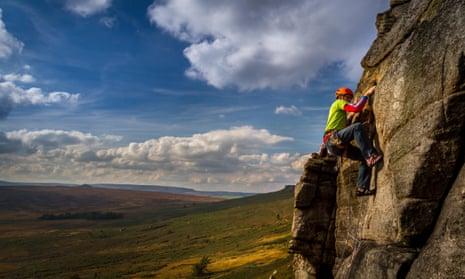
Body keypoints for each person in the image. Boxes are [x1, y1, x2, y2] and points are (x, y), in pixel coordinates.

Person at [322, 86, 382, 196]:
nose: (349, 100)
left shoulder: (340, 113)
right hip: (333, 139)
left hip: (336, 145)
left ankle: (362, 188)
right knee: (357, 127)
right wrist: (367, 94)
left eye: (350, 98)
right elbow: (355, 108)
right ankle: (370, 155)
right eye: (347, 98)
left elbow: (348, 119)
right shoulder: (338, 102)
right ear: (340, 96)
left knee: (363, 159)